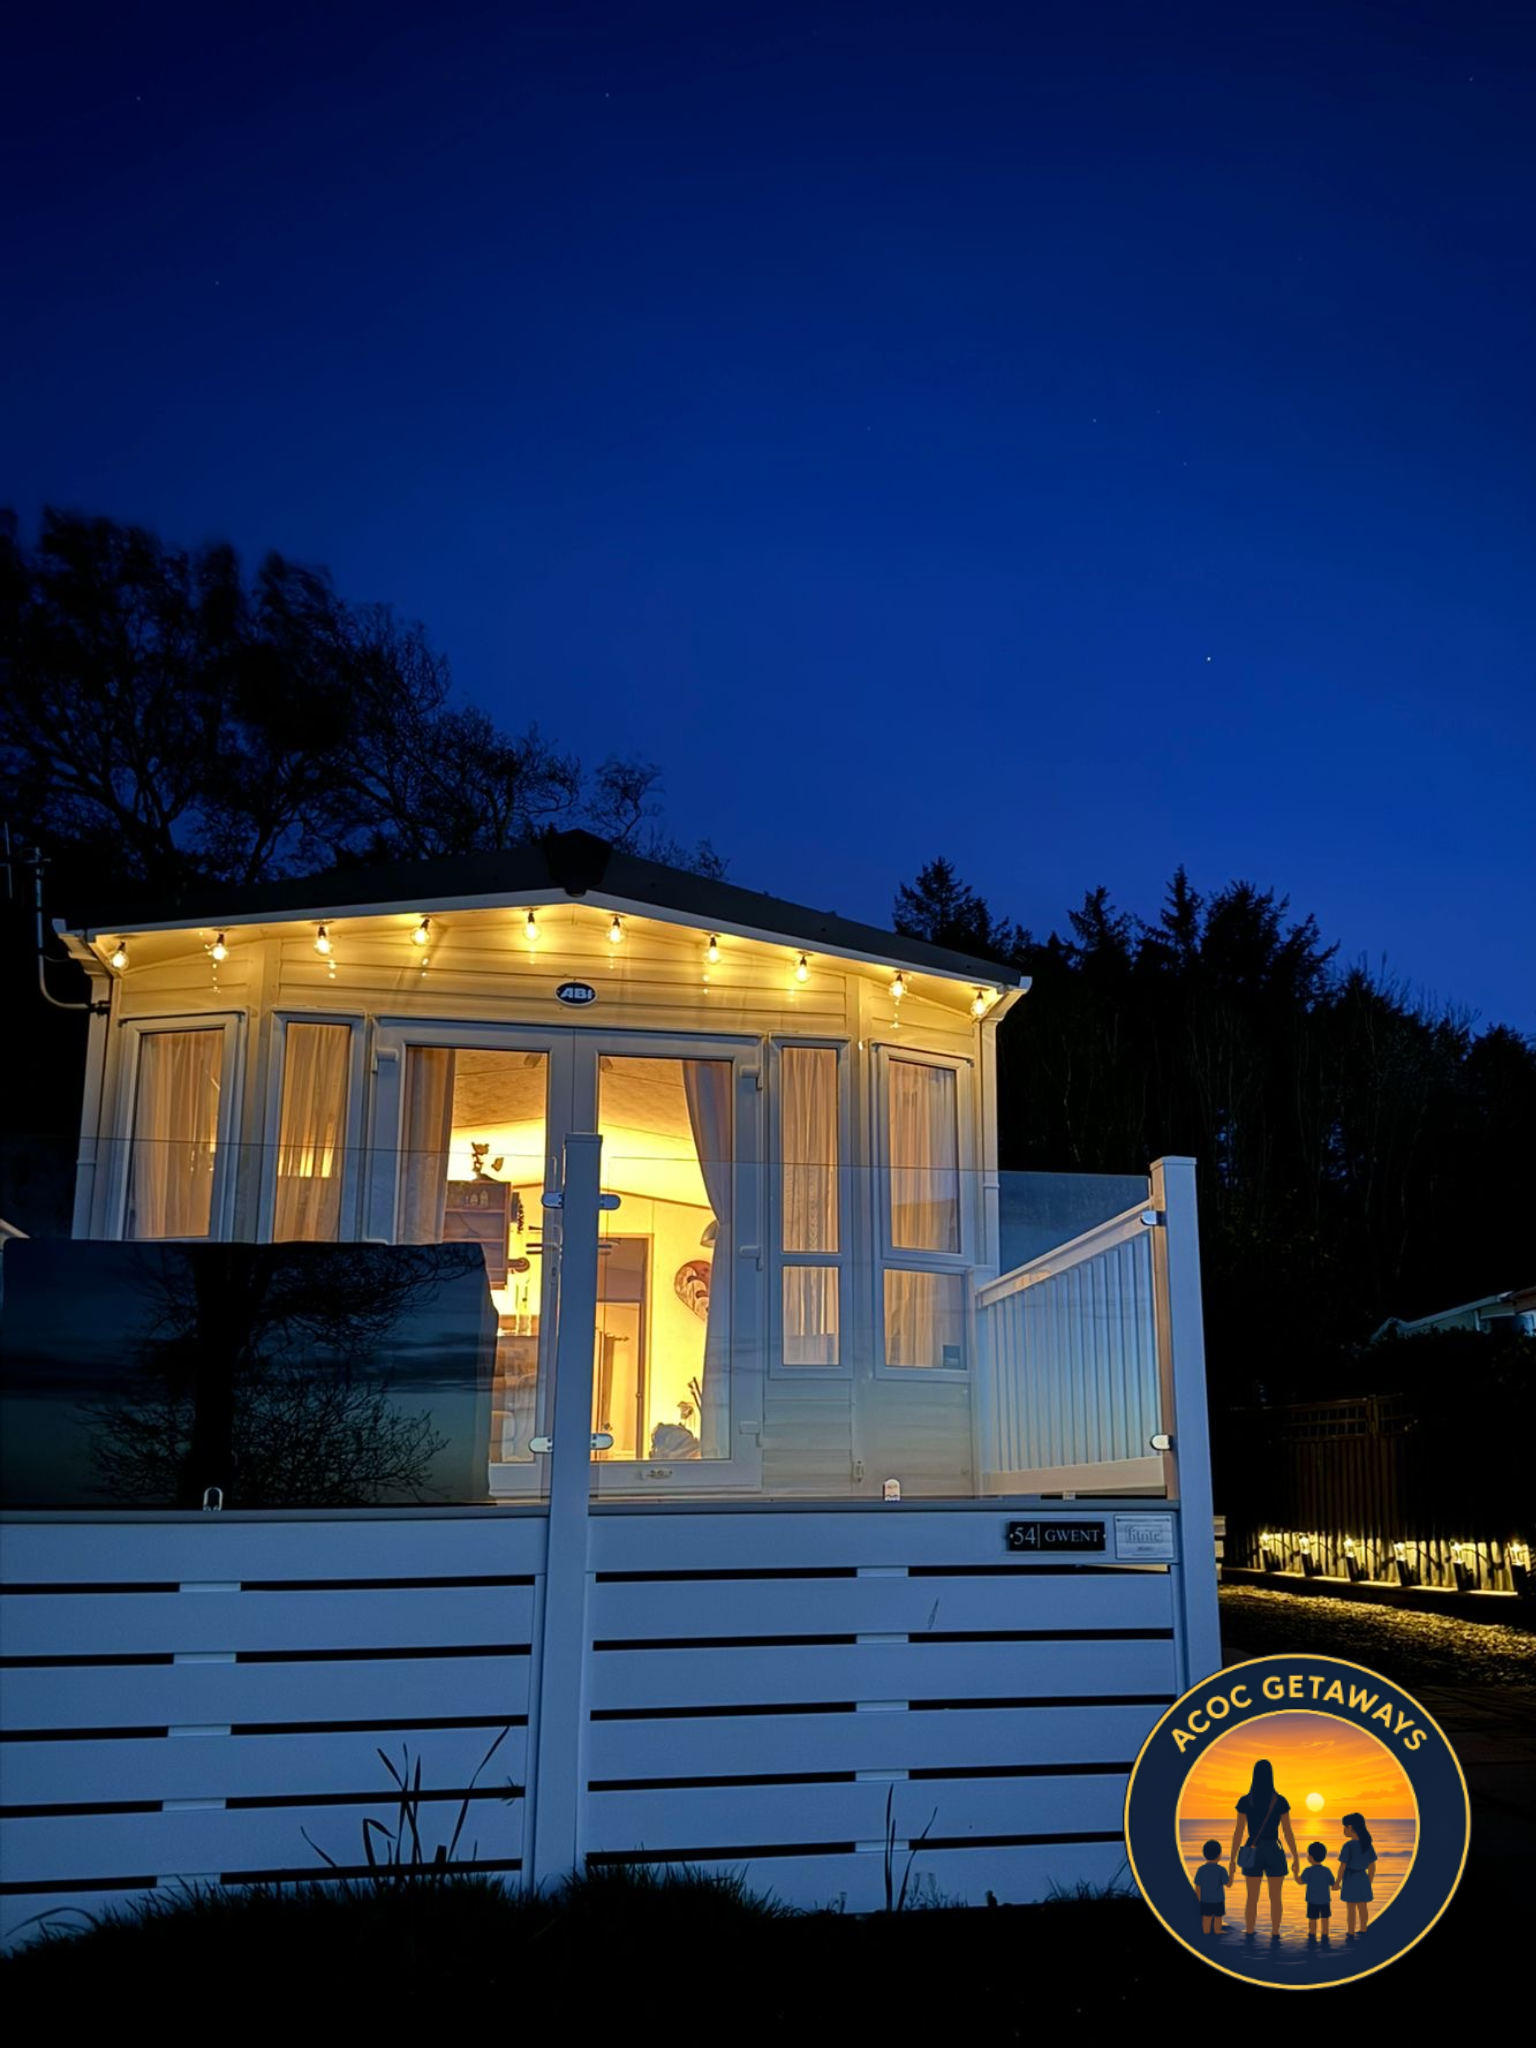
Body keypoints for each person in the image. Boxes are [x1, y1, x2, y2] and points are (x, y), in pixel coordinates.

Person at [1229, 1757, 1302, 1936]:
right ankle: (1275, 1933)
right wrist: (1295, 1856)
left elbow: (1238, 1832)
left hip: (1252, 1850)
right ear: (1271, 1776)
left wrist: (1232, 1859)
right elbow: (1287, 1831)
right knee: (1275, 1898)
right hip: (1274, 1851)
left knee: (1252, 1898)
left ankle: (1250, 1932)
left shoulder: (1246, 1801)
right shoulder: (1280, 1801)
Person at [1337, 1812, 1378, 1934]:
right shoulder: (1367, 1845)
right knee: (1362, 1906)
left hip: (1350, 1878)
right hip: (1363, 1878)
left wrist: (1337, 1882)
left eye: (1345, 1827)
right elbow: (1372, 1865)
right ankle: (1363, 1929)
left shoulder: (1348, 1846)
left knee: (1351, 1908)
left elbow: (1342, 1866)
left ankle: (1351, 1932)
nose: (1344, 1830)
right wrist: (1369, 1880)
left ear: (1351, 1828)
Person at [1296, 1840, 1336, 1940]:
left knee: (1312, 1919)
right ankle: (1325, 1935)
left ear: (1310, 1857)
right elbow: (1332, 1883)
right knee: (1325, 1919)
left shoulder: (1308, 1871)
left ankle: (1312, 1936)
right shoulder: (1326, 1870)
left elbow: (1300, 1882)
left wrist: (1295, 1873)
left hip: (1312, 1900)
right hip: (1325, 1900)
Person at [1194, 1838, 1231, 1934]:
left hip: (1205, 1900)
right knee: (1218, 1917)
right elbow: (1228, 1884)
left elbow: (1198, 1886)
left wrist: (1199, 1899)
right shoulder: (1221, 1870)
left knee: (1206, 1917)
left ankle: (1206, 1931)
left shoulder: (1201, 1870)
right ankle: (1217, 1931)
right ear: (1219, 1855)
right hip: (1218, 1900)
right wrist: (1232, 1872)